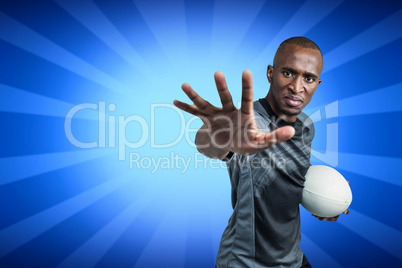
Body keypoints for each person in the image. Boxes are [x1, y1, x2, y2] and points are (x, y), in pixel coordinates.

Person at [173, 37, 349, 268]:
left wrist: (326, 200)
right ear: (270, 73)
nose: (297, 87)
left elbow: (294, 178)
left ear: (317, 83)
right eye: (288, 73)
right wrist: (220, 135)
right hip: (246, 262)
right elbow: (209, 146)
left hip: (292, 258)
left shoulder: (306, 127)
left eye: (308, 78)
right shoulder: (250, 123)